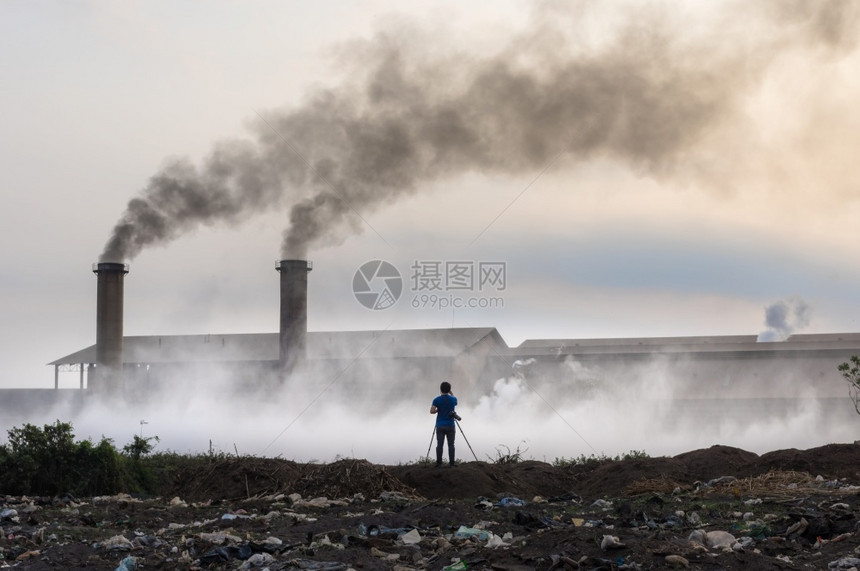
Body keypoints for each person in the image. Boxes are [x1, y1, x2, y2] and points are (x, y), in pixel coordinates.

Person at [430, 381, 458, 467]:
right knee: (451, 445)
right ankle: (452, 464)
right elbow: (455, 400)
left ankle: (439, 464)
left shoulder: (436, 400)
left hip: (440, 425)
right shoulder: (453, 399)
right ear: (449, 389)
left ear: (440, 389)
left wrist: (438, 410)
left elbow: (432, 411)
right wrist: (451, 392)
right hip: (450, 425)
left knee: (439, 445)